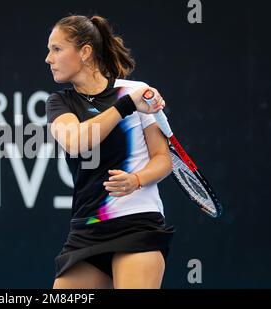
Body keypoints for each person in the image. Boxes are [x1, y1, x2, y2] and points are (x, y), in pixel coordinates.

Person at [45, 15, 175, 289]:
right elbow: (76, 141)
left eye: (56, 49)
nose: (48, 58)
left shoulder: (137, 91)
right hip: (87, 228)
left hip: (137, 224)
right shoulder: (60, 102)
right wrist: (125, 106)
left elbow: (163, 159)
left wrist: (136, 180)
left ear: (85, 52)